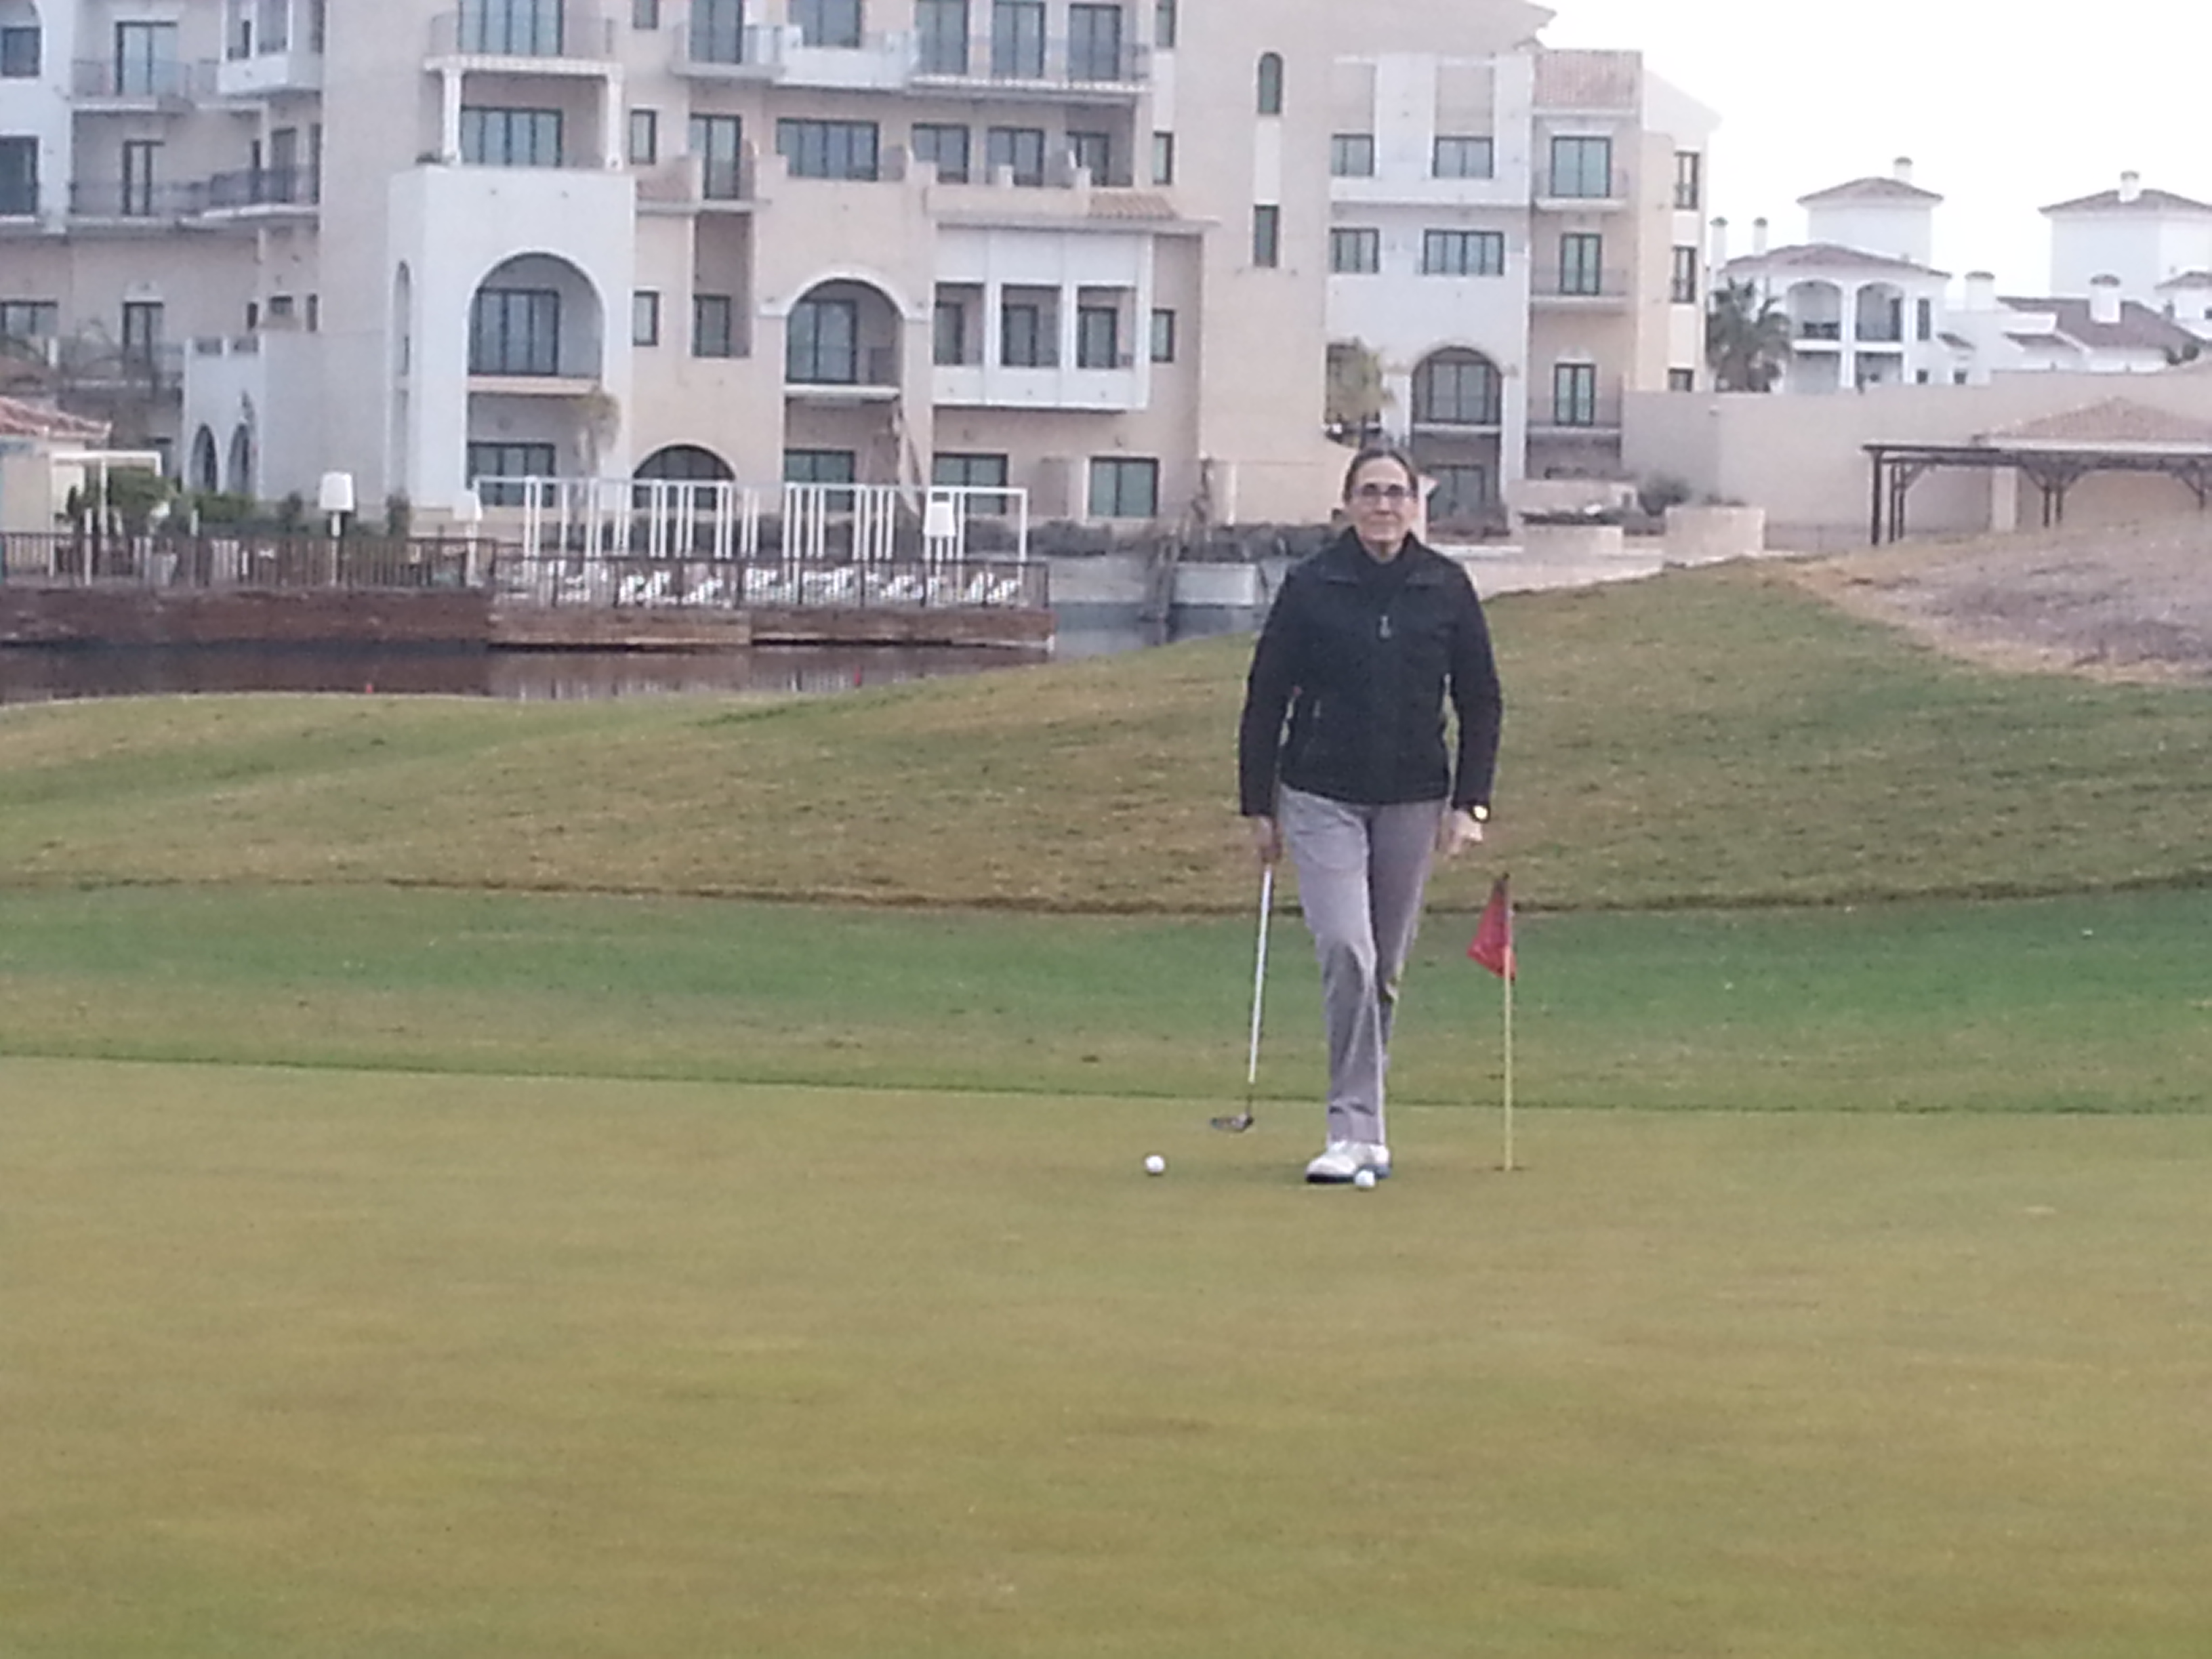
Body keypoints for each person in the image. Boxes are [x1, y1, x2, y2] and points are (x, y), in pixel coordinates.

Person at [1236, 445, 1504, 1184]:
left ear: (1415, 504)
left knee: (1383, 967)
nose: (1383, 505)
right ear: (1348, 503)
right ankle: (1351, 1127)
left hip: (1414, 796)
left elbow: (1480, 699)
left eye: (1395, 493)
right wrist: (1257, 805)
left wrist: (1470, 802)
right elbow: (1267, 697)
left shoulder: (1444, 586)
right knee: (1347, 951)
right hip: (1320, 793)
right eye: (1370, 492)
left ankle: (1367, 1128)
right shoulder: (1313, 585)